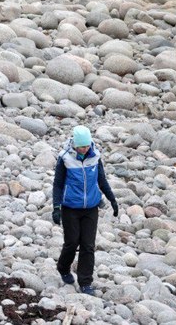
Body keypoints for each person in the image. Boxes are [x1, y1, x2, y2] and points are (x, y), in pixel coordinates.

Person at [52, 126, 118, 296]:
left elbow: (101, 180)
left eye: (87, 145)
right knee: (72, 243)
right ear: (74, 144)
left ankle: (85, 282)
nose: (85, 149)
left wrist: (112, 199)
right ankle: (63, 268)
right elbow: (58, 184)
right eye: (82, 146)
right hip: (70, 208)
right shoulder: (65, 158)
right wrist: (56, 207)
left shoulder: (95, 156)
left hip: (91, 208)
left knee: (88, 246)